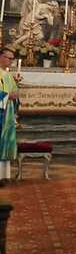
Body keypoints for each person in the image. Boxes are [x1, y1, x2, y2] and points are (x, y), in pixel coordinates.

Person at [0, 47, 19, 186]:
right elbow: (7, 94)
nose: (11, 61)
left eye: (12, 59)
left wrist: (15, 94)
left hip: (7, 114)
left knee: (5, 143)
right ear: (1, 57)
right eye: (9, 58)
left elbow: (14, 91)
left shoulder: (7, 75)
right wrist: (8, 96)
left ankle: (4, 175)